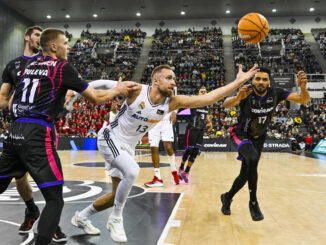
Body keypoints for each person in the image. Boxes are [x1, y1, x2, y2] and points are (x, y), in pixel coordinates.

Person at [71, 64, 258, 243]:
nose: (174, 82)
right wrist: (75, 92)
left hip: (127, 146)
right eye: (169, 78)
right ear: (156, 81)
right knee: (132, 172)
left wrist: (237, 82)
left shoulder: (173, 103)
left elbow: (209, 99)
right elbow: (102, 83)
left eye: (175, 79)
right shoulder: (136, 90)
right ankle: (115, 219)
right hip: (110, 137)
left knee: (115, 195)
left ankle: (81, 217)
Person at [0, 28, 136, 245]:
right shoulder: (63, 68)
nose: (69, 47)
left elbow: (13, 97)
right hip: (37, 133)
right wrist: (117, 90)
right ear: (53, 46)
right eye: (65, 43)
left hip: (13, 131)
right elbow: (95, 97)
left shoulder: (29, 66)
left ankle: (34, 214)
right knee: (55, 200)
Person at [0, 25, 67, 242]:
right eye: (36, 35)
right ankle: (31, 210)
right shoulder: (13, 66)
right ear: (27, 38)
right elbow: (3, 96)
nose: (39, 39)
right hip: (18, 126)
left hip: (41, 129)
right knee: (20, 178)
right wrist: (11, 107)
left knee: (47, 178)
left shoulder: (48, 63)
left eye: (42, 36)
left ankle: (52, 224)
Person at [220, 67, 309, 221]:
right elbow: (225, 104)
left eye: (264, 79)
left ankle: (227, 197)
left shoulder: (276, 93)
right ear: (253, 80)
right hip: (241, 133)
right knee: (253, 159)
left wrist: (303, 88)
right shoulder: (247, 91)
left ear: (269, 81)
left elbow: (303, 100)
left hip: (259, 137)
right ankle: (253, 202)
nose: (260, 82)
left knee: (244, 175)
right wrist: (238, 98)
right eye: (257, 79)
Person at [178, 86, 214, 184]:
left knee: (195, 152)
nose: (203, 92)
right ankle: (181, 168)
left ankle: (186, 172)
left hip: (200, 130)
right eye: (201, 91)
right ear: (198, 93)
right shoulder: (194, 102)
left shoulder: (206, 105)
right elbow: (184, 105)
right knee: (189, 150)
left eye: (205, 91)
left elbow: (205, 115)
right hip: (192, 129)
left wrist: (209, 123)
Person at [144, 109, 179, 187]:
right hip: (153, 120)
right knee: (153, 148)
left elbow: (175, 98)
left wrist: (175, 112)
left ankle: (174, 171)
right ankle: (158, 178)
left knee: (168, 147)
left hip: (166, 119)